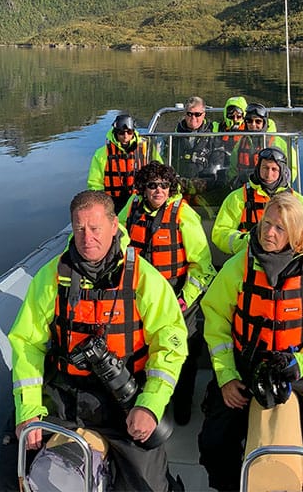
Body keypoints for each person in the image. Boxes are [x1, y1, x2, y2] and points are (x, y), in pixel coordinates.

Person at [8, 190, 188, 491]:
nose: (87, 237)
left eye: (95, 228)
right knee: (23, 471)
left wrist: (150, 404)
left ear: (114, 226)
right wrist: (28, 410)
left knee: (149, 484)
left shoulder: (144, 278)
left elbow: (170, 344)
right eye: (79, 228)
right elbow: (26, 341)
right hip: (67, 396)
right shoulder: (50, 277)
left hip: (127, 401)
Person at [198, 192, 303, 491]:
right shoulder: (238, 266)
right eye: (266, 223)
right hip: (245, 364)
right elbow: (215, 319)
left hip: (301, 366)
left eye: (279, 228)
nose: (268, 232)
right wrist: (226, 376)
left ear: (297, 235)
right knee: (213, 442)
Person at [118, 162, 217, 425]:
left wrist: (184, 299)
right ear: (143, 188)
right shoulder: (131, 208)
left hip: (179, 297)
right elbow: (116, 241)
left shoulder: (183, 215)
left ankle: (182, 408)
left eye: (164, 185)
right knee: (138, 353)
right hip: (139, 299)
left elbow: (202, 267)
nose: (158, 190)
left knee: (185, 355)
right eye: (152, 185)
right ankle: (145, 408)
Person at [212, 146, 303, 256]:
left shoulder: (299, 202)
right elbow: (220, 232)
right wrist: (248, 241)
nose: (268, 174)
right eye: (265, 168)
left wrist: (291, 246)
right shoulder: (238, 197)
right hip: (247, 258)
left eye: (274, 169)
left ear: (282, 171)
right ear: (258, 168)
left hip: (288, 263)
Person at [88, 113, 159, 213]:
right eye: (121, 133)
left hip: (140, 199)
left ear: (133, 132)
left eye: (129, 132)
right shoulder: (101, 153)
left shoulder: (147, 149)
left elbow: (160, 171)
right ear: (115, 132)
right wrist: (101, 203)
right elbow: (95, 183)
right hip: (112, 202)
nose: (125, 136)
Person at [227, 103, 289, 186]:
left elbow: (292, 169)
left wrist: (280, 184)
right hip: (246, 187)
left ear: (264, 123)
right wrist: (235, 181)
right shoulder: (241, 143)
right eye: (249, 121)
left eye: (258, 121)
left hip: (273, 188)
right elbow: (233, 169)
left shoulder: (279, 142)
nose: (253, 125)